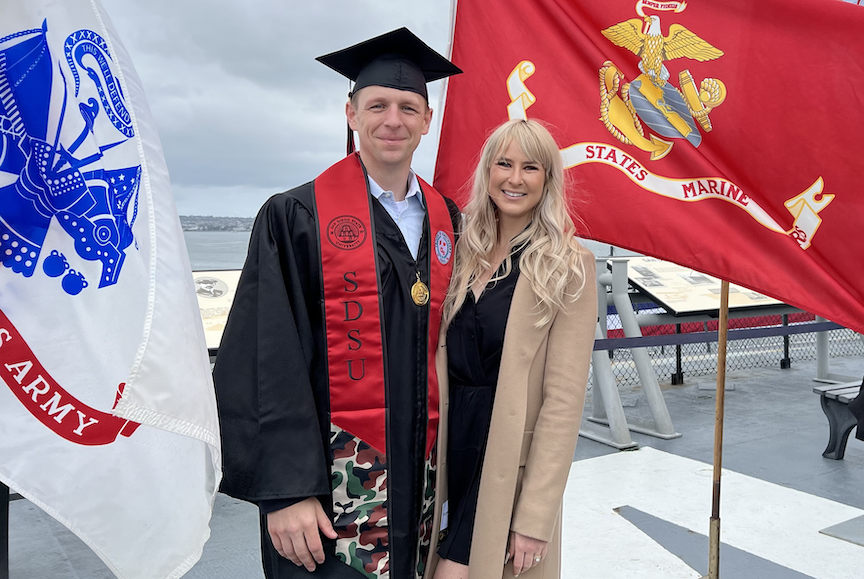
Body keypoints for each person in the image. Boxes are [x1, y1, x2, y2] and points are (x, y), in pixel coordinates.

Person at [212, 28, 461, 579]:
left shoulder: (451, 224)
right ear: (351, 113)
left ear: (427, 120)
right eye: (377, 105)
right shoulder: (295, 217)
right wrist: (284, 492)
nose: (392, 120)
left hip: (422, 489)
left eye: (407, 107)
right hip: (326, 497)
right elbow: (264, 358)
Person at [428, 119, 597, 579]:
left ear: (547, 180)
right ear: (488, 172)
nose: (515, 178)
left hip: (504, 463)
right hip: (447, 453)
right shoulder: (462, 250)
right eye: (504, 163)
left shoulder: (568, 264)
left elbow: (564, 401)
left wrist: (536, 516)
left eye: (531, 167)